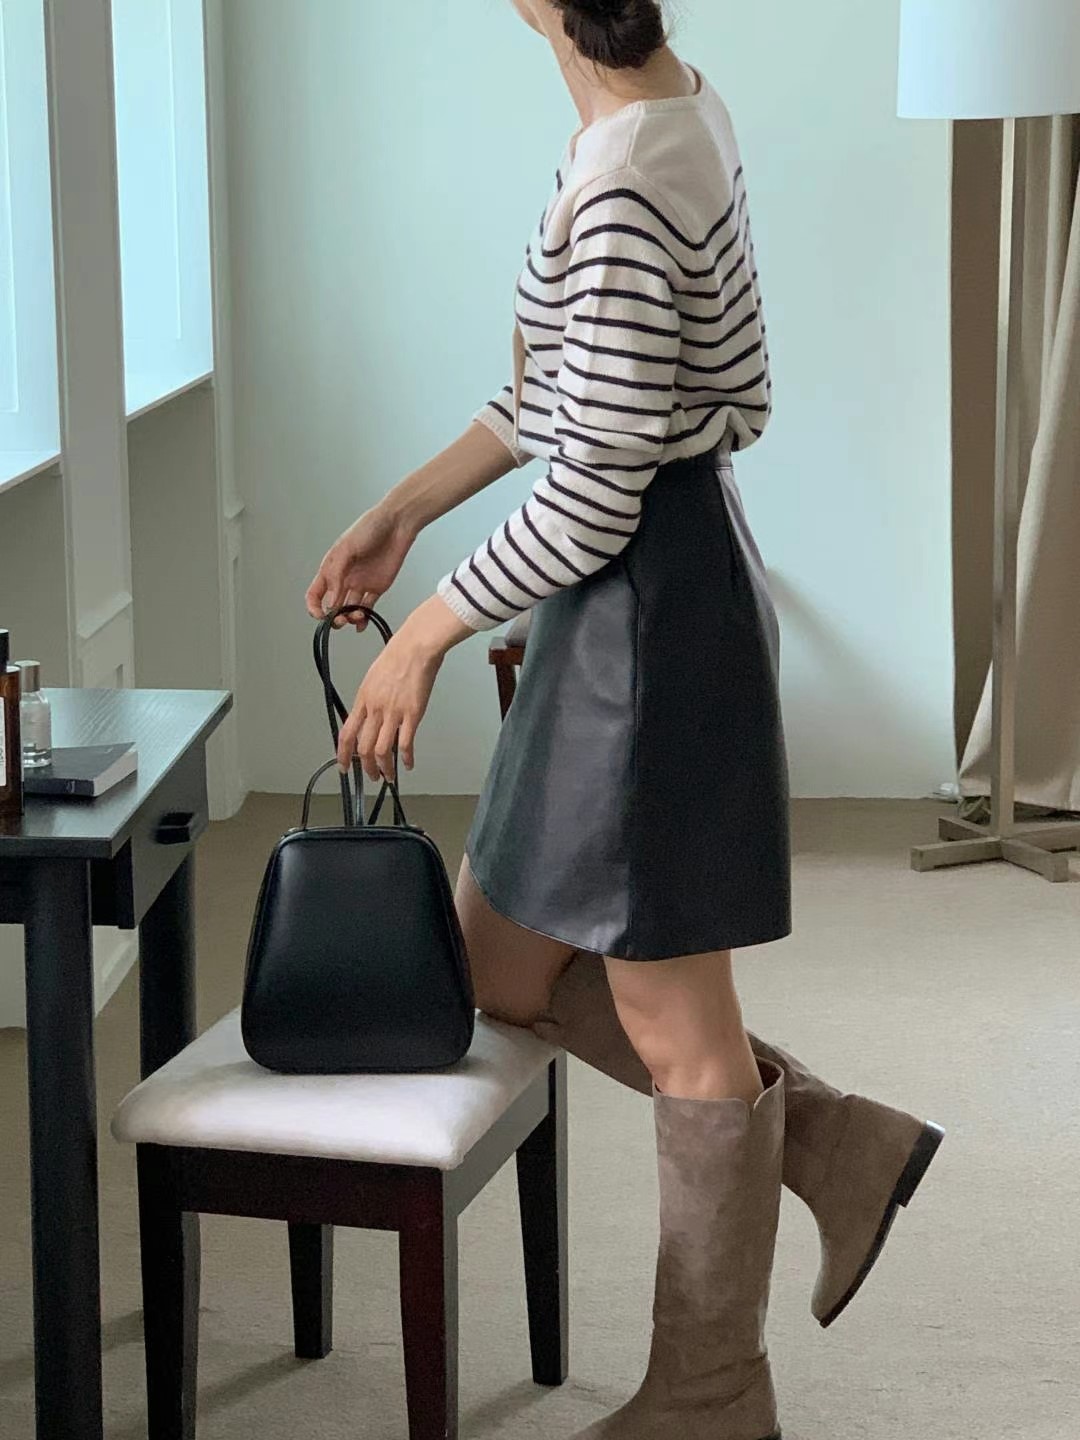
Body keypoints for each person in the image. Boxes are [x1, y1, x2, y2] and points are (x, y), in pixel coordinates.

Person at [306, 3, 943, 1435]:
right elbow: (561, 398)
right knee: (497, 961)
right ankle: (839, 1149)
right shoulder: (662, 106)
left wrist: (425, 635)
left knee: (677, 1021)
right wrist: (405, 510)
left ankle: (711, 1396)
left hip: (647, 615)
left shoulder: (628, 170)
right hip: (628, 600)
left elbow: (597, 486)